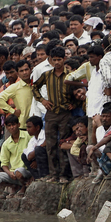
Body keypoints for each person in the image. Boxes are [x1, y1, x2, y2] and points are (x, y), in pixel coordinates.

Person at [31, 46, 74, 184]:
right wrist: (43, 100)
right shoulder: (47, 75)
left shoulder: (70, 74)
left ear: (64, 59)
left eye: (59, 60)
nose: (57, 62)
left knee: (63, 143)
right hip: (51, 113)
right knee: (50, 145)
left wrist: (74, 103)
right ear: (50, 60)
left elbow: (79, 90)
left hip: (65, 114)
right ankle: (53, 174)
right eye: (54, 60)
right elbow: (34, 87)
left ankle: (64, 174)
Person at [0, 114, 32, 197]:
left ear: (18, 125)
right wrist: (9, 173)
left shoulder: (28, 136)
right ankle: (14, 186)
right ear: (6, 127)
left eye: (14, 124)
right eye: (9, 125)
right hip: (13, 174)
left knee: (19, 171)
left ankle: (24, 186)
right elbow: (4, 164)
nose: (12, 127)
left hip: (26, 171)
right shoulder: (6, 144)